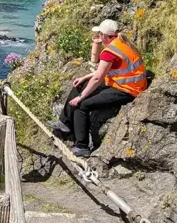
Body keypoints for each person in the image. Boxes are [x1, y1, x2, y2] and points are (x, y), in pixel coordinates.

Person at [51, 19, 147, 157]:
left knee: (82, 105)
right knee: (80, 85)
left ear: (104, 35)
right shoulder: (122, 42)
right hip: (122, 82)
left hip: (127, 90)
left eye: (100, 34)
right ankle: (64, 122)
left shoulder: (110, 52)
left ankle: (82, 146)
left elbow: (98, 78)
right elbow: (101, 70)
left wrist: (81, 97)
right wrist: (84, 78)